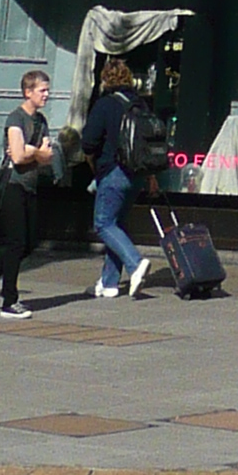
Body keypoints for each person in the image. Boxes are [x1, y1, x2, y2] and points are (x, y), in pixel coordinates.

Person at [0, 68, 54, 319]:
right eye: (42, 90)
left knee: (28, 244)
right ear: (28, 92)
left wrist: (33, 152)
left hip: (31, 186)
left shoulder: (41, 122)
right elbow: (17, 156)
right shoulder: (15, 119)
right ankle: (10, 301)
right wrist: (34, 152)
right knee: (16, 243)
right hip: (13, 187)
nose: (47, 95)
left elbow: (47, 156)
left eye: (47, 90)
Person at [77, 55, 157, 300]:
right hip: (137, 174)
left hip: (113, 171)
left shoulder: (105, 104)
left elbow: (89, 141)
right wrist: (151, 177)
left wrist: (93, 161)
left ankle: (135, 263)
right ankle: (110, 283)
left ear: (104, 79)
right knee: (116, 225)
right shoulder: (141, 104)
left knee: (103, 224)